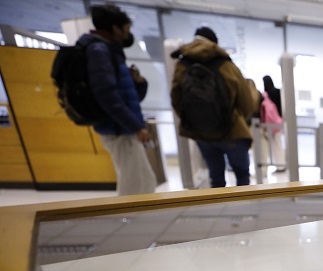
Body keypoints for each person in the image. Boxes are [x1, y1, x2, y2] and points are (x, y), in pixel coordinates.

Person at [80, 4, 156, 196]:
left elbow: (127, 95)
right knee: (134, 185)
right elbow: (107, 95)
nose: (127, 35)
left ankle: (139, 220)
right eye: (126, 29)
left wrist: (138, 82)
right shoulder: (99, 51)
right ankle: (129, 222)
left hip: (123, 128)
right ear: (115, 28)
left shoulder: (109, 51)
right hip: (119, 130)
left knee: (144, 180)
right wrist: (136, 127)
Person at [170, 27, 257, 188]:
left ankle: (219, 211)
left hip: (201, 134)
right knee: (242, 175)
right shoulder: (225, 64)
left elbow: (176, 99)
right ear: (215, 44)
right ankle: (245, 211)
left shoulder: (182, 65)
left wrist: (196, 120)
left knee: (216, 178)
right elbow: (246, 104)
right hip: (231, 131)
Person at [261, 75, 285, 172]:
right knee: (278, 144)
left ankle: (265, 168)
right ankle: (281, 166)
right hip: (279, 121)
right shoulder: (279, 92)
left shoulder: (265, 95)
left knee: (267, 146)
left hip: (268, 124)